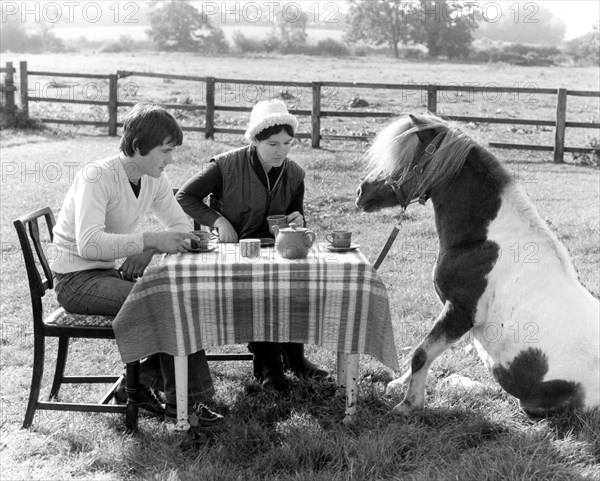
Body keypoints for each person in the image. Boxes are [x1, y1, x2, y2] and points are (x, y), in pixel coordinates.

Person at [49, 103, 222, 427]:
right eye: (165, 151)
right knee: (168, 304)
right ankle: (184, 405)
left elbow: (182, 226)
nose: (171, 159)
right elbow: (89, 243)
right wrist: (149, 240)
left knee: (179, 300)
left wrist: (147, 248)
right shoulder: (97, 176)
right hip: (76, 282)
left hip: (107, 273)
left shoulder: (153, 177)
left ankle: (140, 382)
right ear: (139, 146)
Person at [177, 99, 330, 392]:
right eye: (273, 144)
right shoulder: (224, 165)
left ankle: (296, 360)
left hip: (275, 250)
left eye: (287, 143)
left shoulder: (296, 173)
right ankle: (270, 366)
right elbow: (185, 197)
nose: (281, 151)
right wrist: (218, 221)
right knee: (261, 288)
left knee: (296, 283)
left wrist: (298, 220)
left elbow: (295, 215)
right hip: (232, 252)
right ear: (255, 140)